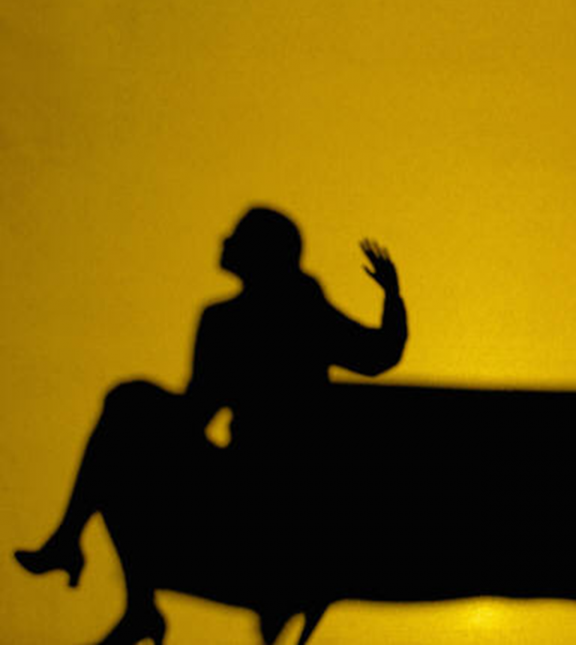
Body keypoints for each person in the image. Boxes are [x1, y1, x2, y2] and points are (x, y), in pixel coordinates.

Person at [15, 206, 408, 645]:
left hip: (261, 485)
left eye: (237, 236)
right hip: (262, 477)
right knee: (126, 414)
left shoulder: (262, 312)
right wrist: (392, 297)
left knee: (124, 416)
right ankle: (101, 571)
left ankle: (110, 577)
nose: (224, 241)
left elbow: (198, 413)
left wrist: (144, 409)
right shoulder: (270, 312)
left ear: (261, 253)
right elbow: (379, 354)